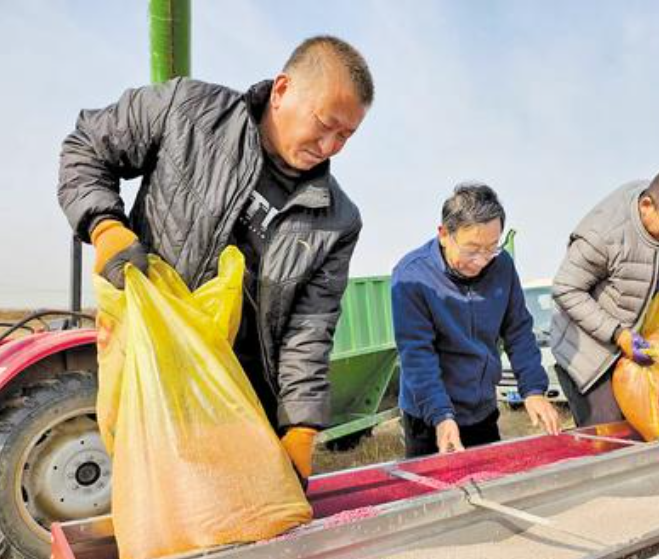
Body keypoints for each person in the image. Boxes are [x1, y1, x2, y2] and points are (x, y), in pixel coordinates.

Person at [57, 35, 375, 484]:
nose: (330, 146)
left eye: (346, 135)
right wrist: (104, 225)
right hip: (153, 378)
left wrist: (301, 425)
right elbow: (87, 147)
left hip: (239, 402)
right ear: (283, 90)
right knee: (155, 513)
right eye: (324, 123)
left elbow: (310, 328)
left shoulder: (337, 220)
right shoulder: (189, 112)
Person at [391, 183, 561, 457]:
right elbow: (417, 354)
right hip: (428, 416)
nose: (481, 261)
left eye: (491, 248)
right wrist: (440, 415)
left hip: (481, 410)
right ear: (444, 234)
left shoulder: (502, 266)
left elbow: (518, 330)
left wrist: (533, 389)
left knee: (487, 484)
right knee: (435, 496)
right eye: (471, 250)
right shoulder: (412, 276)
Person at [550, 164, 659, 428]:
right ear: (647, 205)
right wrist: (619, 334)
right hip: (590, 357)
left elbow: (647, 279)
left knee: (648, 425)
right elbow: (566, 289)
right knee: (609, 436)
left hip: (629, 345)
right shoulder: (604, 236)